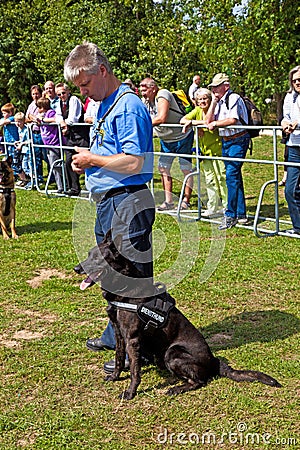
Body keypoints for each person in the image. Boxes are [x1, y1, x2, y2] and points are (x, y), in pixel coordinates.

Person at [64, 41, 155, 372]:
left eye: (86, 84)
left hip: (128, 200)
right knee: (113, 270)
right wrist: (89, 164)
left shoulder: (128, 106)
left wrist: (93, 159)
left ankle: (141, 345)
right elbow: (110, 151)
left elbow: (134, 162)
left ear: (101, 71)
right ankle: (115, 332)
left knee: (134, 276)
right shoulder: (105, 104)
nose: (84, 93)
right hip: (110, 200)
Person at [140, 77, 194, 210]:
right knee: (163, 168)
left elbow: (161, 118)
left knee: (185, 168)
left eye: (145, 90)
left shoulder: (163, 94)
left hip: (182, 136)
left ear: (153, 88)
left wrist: (141, 125)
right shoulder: (145, 101)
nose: (142, 93)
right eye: (140, 90)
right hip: (166, 139)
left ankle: (186, 200)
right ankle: (168, 201)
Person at [206, 73, 250, 229]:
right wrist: (213, 102)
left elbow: (232, 120)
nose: (214, 89)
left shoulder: (234, 98)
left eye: (217, 86)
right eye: (212, 87)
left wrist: (216, 124)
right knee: (233, 176)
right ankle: (241, 213)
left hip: (239, 140)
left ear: (226, 86)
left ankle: (230, 214)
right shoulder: (218, 101)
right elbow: (207, 121)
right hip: (226, 141)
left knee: (231, 174)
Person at [181, 88, 227, 216]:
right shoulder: (197, 111)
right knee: (210, 180)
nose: (202, 101)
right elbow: (182, 120)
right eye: (200, 99)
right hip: (205, 152)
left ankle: (227, 207)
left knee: (222, 178)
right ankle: (213, 207)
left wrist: (199, 124)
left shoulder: (216, 110)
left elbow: (211, 121)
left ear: (210, 99)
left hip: (218, 151)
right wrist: (196, 123)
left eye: (205, 98)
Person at [55, 82, 89, 196]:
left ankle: (91, 187)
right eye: (59, 94)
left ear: (68, 91)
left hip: (81, 134)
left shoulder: (74, 99)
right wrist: (62, 123)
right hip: (70, 135)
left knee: (87, 160)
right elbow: (58, 116)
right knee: (68, 161)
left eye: (63, 93)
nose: (61, 96)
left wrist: (65, 125)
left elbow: (73, 118)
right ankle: (74, 188)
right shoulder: (59, 103)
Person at [281, 65, 300, 235]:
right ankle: (298, 227)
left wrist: (297, 124)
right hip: (294, 146)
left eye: (299, 79)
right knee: (290, 190)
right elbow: (285, 118)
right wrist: (285, 124)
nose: (297, 83)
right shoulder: (289, 97)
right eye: (294, 80)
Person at [36, 97, 65, 193]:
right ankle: (60, 185)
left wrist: (43, 119)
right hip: (47, 144)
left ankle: (63, 185)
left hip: (54, 143)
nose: (38, 110)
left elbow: (54, 119)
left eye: (39, 107)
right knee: (53, 165)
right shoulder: (43, 114)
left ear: (43, 107)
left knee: (56, 165)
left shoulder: (50, 112)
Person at [25, 85, 45, 185]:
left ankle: (54, 176)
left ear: (40, 93)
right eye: (33, 94)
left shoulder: (43, 103)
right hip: (33, 133)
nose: (35, 95)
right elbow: (26, 119)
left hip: (43, 133)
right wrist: (32, 118)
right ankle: (39, 178)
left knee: (46, 156)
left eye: (37, 93)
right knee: (35, 156)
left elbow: (41, 118)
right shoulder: (31, 105)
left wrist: (33, 118)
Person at [0, 103, 21, 179]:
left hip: (14, 142)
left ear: (10, 113)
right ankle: (12, 174)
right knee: (8, 157)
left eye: (5, 113)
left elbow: (4, 122)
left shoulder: (12, 118)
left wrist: (3, 121)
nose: (3, 115)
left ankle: (17, 173)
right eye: (2, 113)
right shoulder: (4, 119)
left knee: (15, 158)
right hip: (8, 143)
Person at [14, 112, 32, 188]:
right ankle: (25, 180)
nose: (18, 123)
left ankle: (33, 179)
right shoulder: (19, 129)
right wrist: (18, 142)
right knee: (20, 165)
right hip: (22, 150)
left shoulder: (26, 129)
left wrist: (22, 144)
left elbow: (30, 140)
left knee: (26, 166)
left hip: (27, 150)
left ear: (24, 121)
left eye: (20, 121)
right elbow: (22, 139)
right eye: (16, 121)